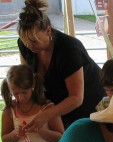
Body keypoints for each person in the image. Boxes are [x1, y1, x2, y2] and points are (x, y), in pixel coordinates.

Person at [17, 0, 105, 129]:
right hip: (58, 103)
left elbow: (76, 98)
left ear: (48, 31)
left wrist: (47, 115)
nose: (29, 46)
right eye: (25, 41)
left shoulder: (69, 49)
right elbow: (28, 80)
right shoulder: (25, 45)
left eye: (34, 41)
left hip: (90, 101)